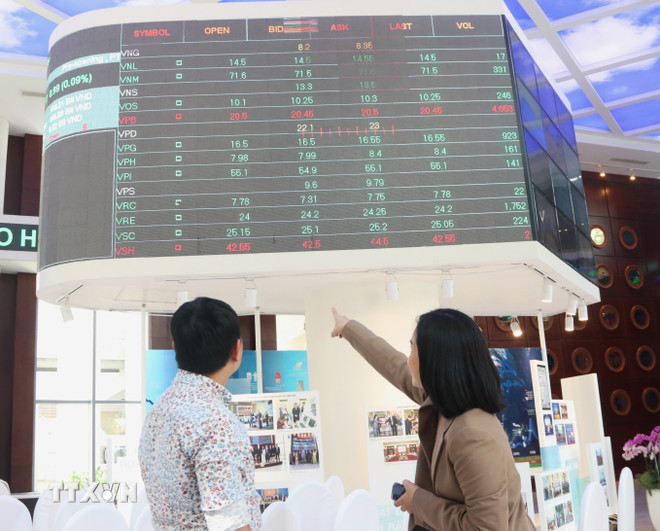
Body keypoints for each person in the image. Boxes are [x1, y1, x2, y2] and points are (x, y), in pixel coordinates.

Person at [331, 307, 535, 531]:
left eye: (412, 348)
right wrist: (348, 328)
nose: (408, 359)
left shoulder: (472, 433)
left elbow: (486, 527)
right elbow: (393, 365)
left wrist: (417, 501)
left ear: (434, 360)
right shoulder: (443, 402)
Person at [139, 297, 261, 531]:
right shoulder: (217, 423)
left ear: (175, 348)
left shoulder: (158, 410)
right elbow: (228, 524)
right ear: (236, 349)